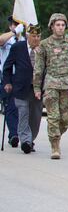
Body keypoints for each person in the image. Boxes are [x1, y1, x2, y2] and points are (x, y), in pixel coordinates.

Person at [33, 13, 68, 159]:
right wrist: (36, 88)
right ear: (52, 27)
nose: (60, 28)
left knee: (67, 118)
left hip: (67, 84)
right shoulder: (44, 44)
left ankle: (55, 135)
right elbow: (38, 68)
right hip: (51, 84)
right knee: (53, 117)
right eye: (58, 25)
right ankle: (55, 146)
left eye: (62, 25)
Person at [2, 24, 43, 153]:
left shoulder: (43, 49)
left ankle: (30, 139)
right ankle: (25, 140)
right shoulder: (17, 47)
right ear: (27, 36)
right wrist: (7, 82)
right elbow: (7, 67)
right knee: (23, 113)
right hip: (20, 87)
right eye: (33, 36)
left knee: (35, 117)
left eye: (38, 36)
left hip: (37, 88)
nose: (35, 39)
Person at [0, 16, 23, 147]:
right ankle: (14, 134)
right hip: (8, 76)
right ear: (10, 26)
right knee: (11, 106)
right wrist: (14, 32)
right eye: (15, 24)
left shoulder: (26, 40)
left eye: (19, 24)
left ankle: (24, 135)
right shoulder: (7, 39)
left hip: (22, 77)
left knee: (23, 108)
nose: (17, 26)